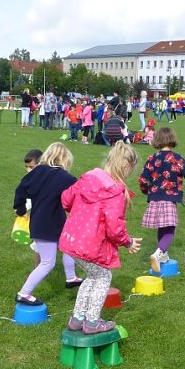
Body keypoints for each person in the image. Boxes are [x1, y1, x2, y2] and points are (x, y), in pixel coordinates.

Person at [59, 142, 143, 335]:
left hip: (72, 240)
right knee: (104, 276)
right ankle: (91, 322)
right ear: (127, 167)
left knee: (92, 276)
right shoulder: (114, 190)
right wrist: (128, 242)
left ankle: (77, 318)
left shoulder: (88, 177)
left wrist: (82, 212)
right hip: (91, 246)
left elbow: (65, 199)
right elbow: (115, 228)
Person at [13, 143, 82, 305]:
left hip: (46, 222)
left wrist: (20, 208)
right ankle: (23, 293)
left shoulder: (36, 172)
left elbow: (20, 189)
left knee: (68, 246)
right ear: (65, 159)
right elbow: (79, 193)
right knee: (47, 262)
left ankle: (71, 277)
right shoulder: (65, 177)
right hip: (48, 225)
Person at [138, 126, 185, 272]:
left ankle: (163, 254)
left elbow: (143, 179)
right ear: (172, 139)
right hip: (169, 198)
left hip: (155, 198)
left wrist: (147, 191)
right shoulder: (177, 159)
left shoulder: (152, 158)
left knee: (162, 226)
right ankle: (158, 254)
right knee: (170, 230)